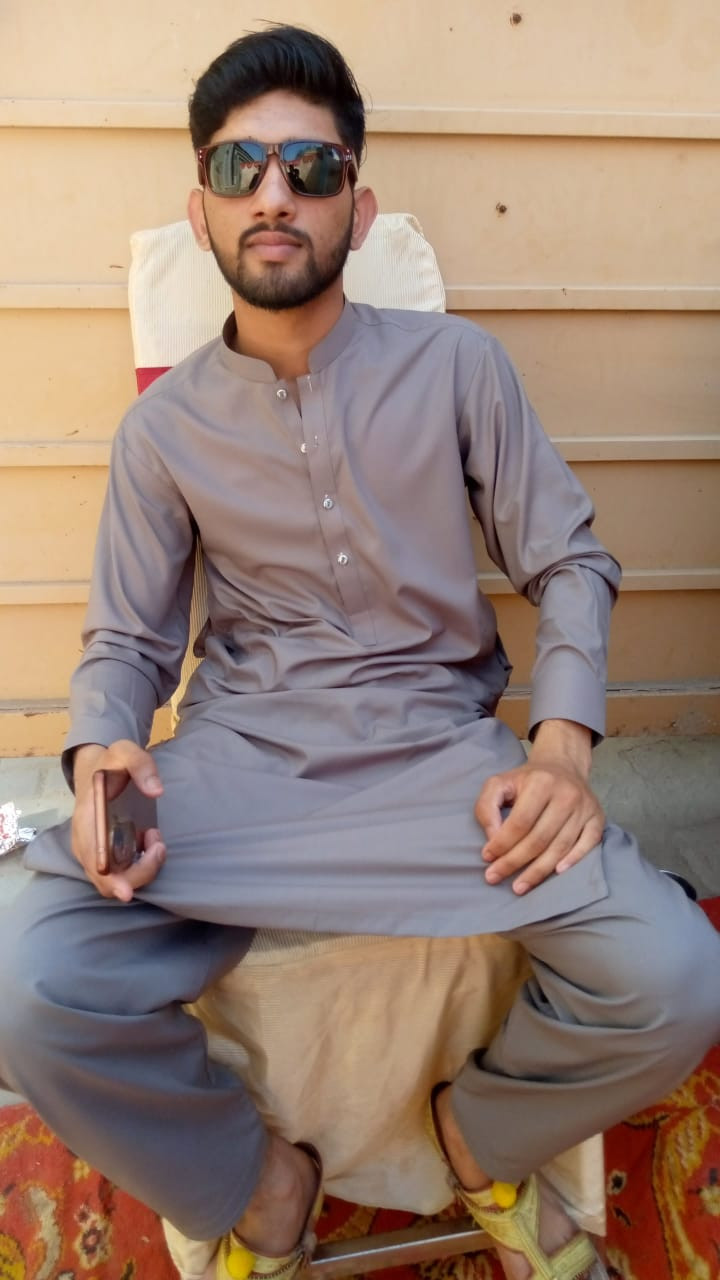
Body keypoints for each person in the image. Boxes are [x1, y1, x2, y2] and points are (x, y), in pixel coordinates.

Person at [0, 23, 718, 1280]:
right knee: (28, 979)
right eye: (241, 169)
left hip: (441, 768)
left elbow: (568, 558)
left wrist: (560, 749)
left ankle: (481, 1136)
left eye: (311, 167)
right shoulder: (162, 431)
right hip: (241, 771)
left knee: (675, 975)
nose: (274, 194)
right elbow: (126, 636)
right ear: (204, 209)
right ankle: (260, 1184)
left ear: (356, 206)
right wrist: (105, 749)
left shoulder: (459, 366)